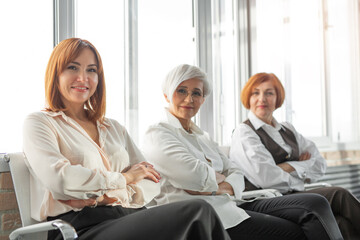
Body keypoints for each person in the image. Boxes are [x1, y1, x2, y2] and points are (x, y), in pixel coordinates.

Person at [22, 38, 231, 240]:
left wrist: (104, 197)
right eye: (73, 67)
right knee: (197, 212)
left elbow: (152, 183)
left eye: (91, 70)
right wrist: (126, 178)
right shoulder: (40, 123)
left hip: (128, 216)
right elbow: (62, 179)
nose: (83, 78)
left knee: (199, 220)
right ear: (56, 73)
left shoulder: (114, 127)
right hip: (79, 228)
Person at [142, 64, 344, 240]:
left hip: (234, 204)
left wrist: (219, 185)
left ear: (203, 99)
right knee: (299, 228)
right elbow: (196, 176)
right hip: (208, 215)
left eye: (196, 93)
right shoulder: (158, 134)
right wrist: (219, 181)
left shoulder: (203, 137)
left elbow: (235, 172)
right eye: (181, 91)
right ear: (167, 95)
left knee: (316, 202)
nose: (189, 98)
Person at [230, 72, 360, 239]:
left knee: (341, 218)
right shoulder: (244, 132)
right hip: (262, 198)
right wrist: (301, 169)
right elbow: (267, 179)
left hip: (290, 195)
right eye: (256, 93)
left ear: (278, 98)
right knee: (338, 196)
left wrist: (288, 167)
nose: (262, 98)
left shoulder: (287, 128)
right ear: (248, 97)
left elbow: (320, 164)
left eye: (269, 93)